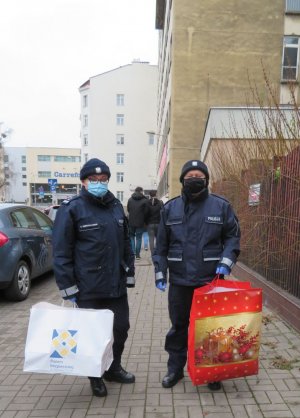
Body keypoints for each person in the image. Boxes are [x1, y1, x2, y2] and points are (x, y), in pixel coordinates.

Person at [153, 160, 240, 391]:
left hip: (210, 281)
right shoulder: (170, 209)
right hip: (180, 281)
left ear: (206, 180)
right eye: (189, 175)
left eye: (198, 175)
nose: (194, 178)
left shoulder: (221, 206)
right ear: (182, 180)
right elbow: (161, 246)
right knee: (179, 327)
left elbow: (232, 237)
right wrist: (160, 272)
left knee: (211, 328)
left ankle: (212, 371)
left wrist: (226, 262)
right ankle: (175, 370)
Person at [52, 158, 135, 398]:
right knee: (92, 335)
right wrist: (68, 287)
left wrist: (129, 272)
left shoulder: (116, 206)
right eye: (93, 180)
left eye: (103, 180)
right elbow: (61, 251)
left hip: (115, 284)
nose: (99, 183)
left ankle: (113, 367)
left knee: (120, 328)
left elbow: (126, 243)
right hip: (87, 286)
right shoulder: (72, 208)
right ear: (83, 182)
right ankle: (95, 376)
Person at [127, 186, 149, 259]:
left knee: (131, 237)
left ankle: (133, 253)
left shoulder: (130, 199)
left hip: (131, 222)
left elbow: (128, 210)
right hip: (141, 222)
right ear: (141, 191)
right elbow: (146, 213)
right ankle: (137, 255)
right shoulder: (145, 200)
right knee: (139, 238)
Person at [145, 190, 164, 255]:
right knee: (158, 238)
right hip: (158, 223)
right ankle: (158, 251)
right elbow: (163, 212)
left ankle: (153, 253)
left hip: (150, 223)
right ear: (156, 194)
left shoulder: (147, 203)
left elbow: (146, 213)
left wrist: (146, 222)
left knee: (151, 239)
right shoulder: (160, 202)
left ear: (150, 195)